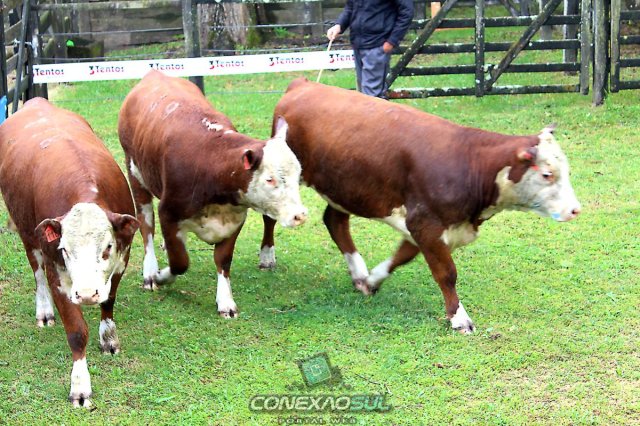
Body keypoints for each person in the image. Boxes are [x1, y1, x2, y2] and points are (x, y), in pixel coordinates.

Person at [327, 0, 414, 98]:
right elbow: (350, 7)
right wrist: (339, 25)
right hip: (358, 44)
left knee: (372, 95)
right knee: (363, 94)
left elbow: (407, 12)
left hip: (378, 44)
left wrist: (392, 41)